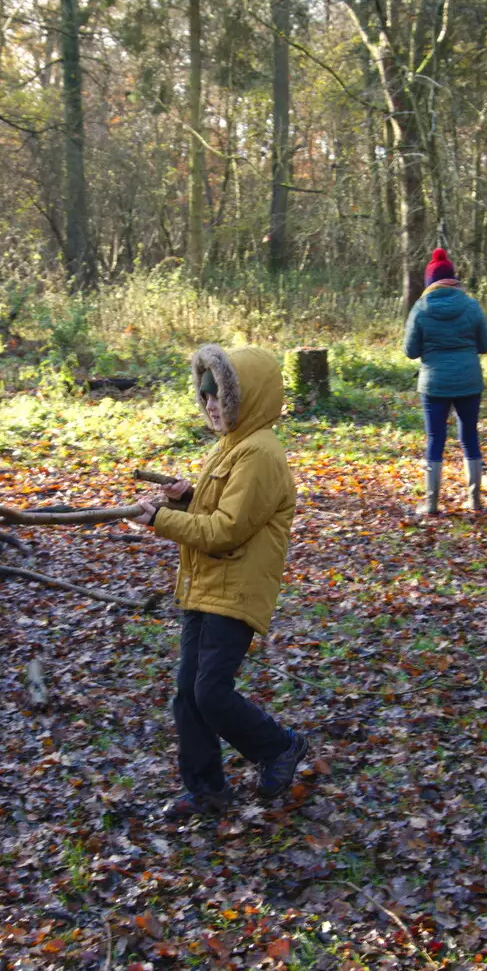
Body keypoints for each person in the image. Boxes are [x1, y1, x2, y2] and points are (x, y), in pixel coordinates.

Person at [134, 344, 309, 821]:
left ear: (246, 398)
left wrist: (163, 521)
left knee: (209, 692)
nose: (211, 405)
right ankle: (206, 789)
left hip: (235, 591)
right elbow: (216, 514)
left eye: (220, 397)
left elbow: (226, 531)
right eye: (205, 396)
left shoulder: (260, 454)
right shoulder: (230, 446)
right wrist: (187, 498)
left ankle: (280, 746)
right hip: (206, 585)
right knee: (188, 695)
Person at [404, 247, 487, 515]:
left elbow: (410, 351)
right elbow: (484, 345)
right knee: (469, 437)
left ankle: (431, 503)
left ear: (430, 282)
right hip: (468, 379)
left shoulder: (420, 308)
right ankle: (474, 500)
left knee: (435, 438)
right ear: (454, 279)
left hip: (434, 383)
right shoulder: (471, 305)